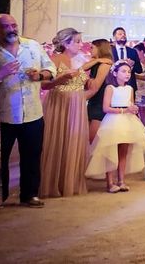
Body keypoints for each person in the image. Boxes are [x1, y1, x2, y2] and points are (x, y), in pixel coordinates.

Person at [0, 14, 58, 207]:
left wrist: (40, 74)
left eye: (13, 25)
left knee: (32, 155)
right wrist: (2, 73)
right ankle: (0, 196)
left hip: (32, 112)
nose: (11, 29)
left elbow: (51, 68)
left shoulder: (32, 46)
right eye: (5, 26)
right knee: (1, 158)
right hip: (4, 115)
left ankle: (29, 194)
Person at [40, 27, 90, 198]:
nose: (80, 44)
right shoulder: (55, 59)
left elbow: (88, 84)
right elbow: (44, 84)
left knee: (74, 141)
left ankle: (70, 182)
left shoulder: (82, 59)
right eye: (77, 42)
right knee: (58, 141)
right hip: (60, 103)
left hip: (77, 104)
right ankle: (53, 183)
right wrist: (60, 79)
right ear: (66, 43)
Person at [85, 61, 145, 193]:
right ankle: (110, 182)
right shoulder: (110, 88)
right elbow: (105, 107)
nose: (127, 74)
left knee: (123, 152)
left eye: (129, 72)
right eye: (123, 71)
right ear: (115, 73)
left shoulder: (130, 89)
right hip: (113, 121)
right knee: (111, 152)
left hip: (127, 122)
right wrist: (123, 110)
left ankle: (121, 180)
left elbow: (130, 104)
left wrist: (133, 109)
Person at [83, 39, 114, 143]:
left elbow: (95, 87)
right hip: (92, 103)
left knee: (92, 141)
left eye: (92, 47)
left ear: (100, 48)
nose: (90, 49)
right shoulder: (96, 63)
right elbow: (80, 70)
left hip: (100, 105)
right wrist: (96, 60)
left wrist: (88, 81)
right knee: (86, 140)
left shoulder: (105, 64)